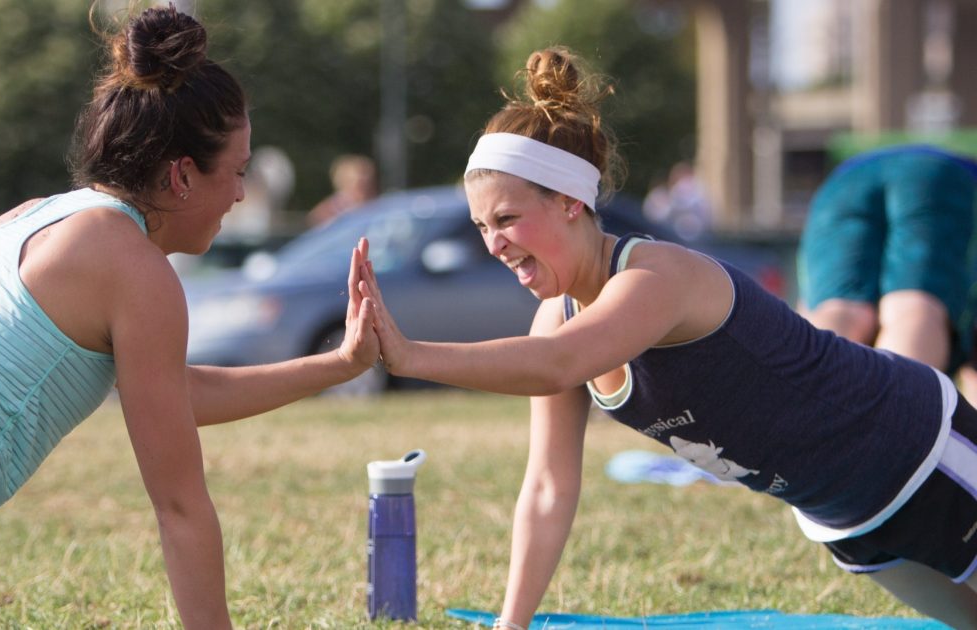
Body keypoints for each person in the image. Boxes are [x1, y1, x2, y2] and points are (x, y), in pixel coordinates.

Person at [0, 6, 377, 629]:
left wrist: (339, 364)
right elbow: (179, 506)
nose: (242, 195)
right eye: (238, 172)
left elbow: (176, 396)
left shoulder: (43, 213)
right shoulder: (138, 272)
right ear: (180, 175)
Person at [353, 46, 977, 630]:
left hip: (916, 450)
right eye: (483, 226)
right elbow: (547, 487)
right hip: (843, 516)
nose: (494, 243)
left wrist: (407, 355)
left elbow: (555, 364)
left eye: (508, 218)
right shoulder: (558, 318)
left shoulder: (656, 277)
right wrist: (511, 625)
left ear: (571, 201)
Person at [797, 144, 977, 401]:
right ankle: (894, 420)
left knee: (838, 311)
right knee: (913, 307)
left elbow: (806, 314)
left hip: (843, 182)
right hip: (942, 177)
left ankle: (809, 411)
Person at [306, 153, 377, 227]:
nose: (365, 186)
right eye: (360, 182)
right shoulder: (329, 211)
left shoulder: (379, 207)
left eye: (369, 181)